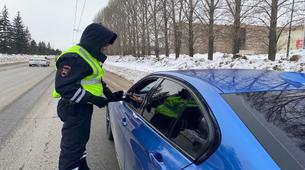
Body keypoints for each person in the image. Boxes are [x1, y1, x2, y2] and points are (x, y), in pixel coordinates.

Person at [53, 23, 123, 170]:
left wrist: (109, 95)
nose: (106, 47)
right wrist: (94, 99)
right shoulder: (75, 57)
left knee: (80, 142)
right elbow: (64, 87)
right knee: (71, 151)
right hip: (73, 107)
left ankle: (82, 166)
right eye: (104, 44)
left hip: (81, 107)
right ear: (94, 41)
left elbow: (95, 79)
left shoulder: (89, 56)